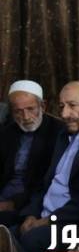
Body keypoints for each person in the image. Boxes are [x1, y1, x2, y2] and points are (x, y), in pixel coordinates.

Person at [3, 81, 79, 252]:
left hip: (73, 222)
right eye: (62, 106)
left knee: (31, 241)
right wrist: (31, 214)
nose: (64, 114)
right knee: (7, 237)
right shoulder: (64, 134)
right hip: (44, 215)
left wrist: (46, 221)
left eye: (72, 106)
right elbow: (45, 184)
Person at [0, 81, 62, 227]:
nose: (26, 117)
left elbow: (46, 183)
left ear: (43, 106)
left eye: (30, 109)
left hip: (29, 204)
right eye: (18, 111)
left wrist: (12, 204)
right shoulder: (7, 132)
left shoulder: (58, 133)